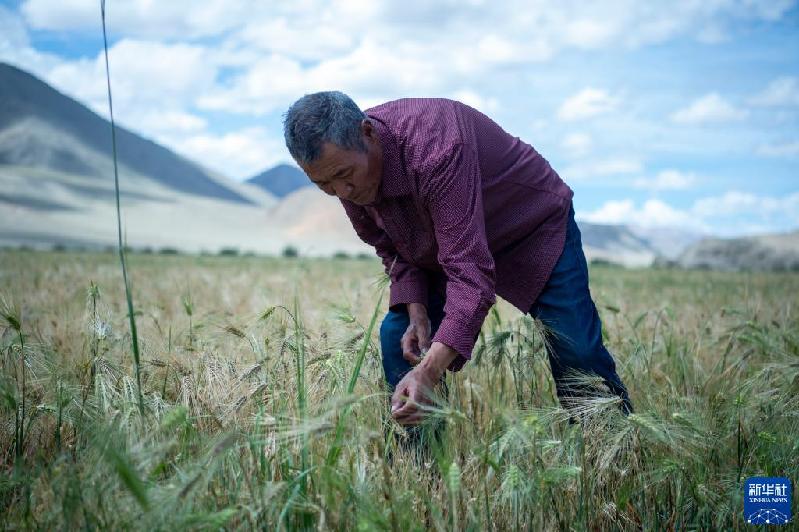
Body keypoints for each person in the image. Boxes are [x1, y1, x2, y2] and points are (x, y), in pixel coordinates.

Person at [282, 92, 633, 430]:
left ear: (368, 133)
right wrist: (417, 310)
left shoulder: (436, 146)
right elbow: (390, 246)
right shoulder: (346, 171)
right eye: (323, 184)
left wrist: (429, 372)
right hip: (445, 240)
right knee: (398, 336)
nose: (341, 193)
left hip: (531, 226)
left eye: (344, 176)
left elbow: (470, 272)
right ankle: (421, 465)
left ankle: (612, 451)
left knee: (578, 352)